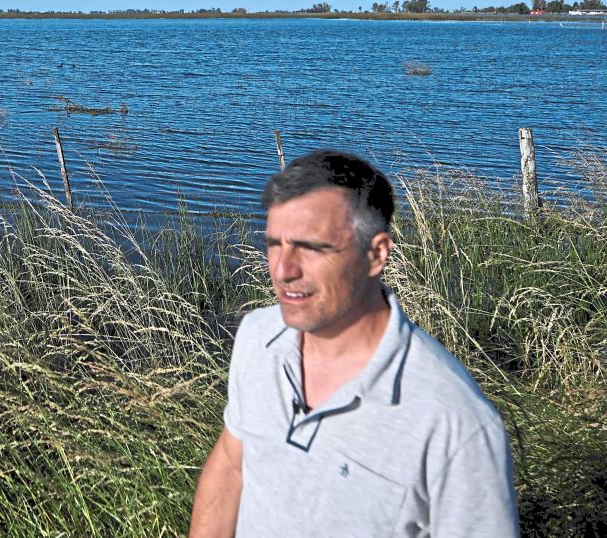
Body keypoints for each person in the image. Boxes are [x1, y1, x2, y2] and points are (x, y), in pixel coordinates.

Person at [190, 149, 518, 537]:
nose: (283, 270)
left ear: (376, 254)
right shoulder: (257, 336)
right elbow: (232, 465)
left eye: (311, 247)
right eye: (275, 244)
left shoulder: (454, 421)